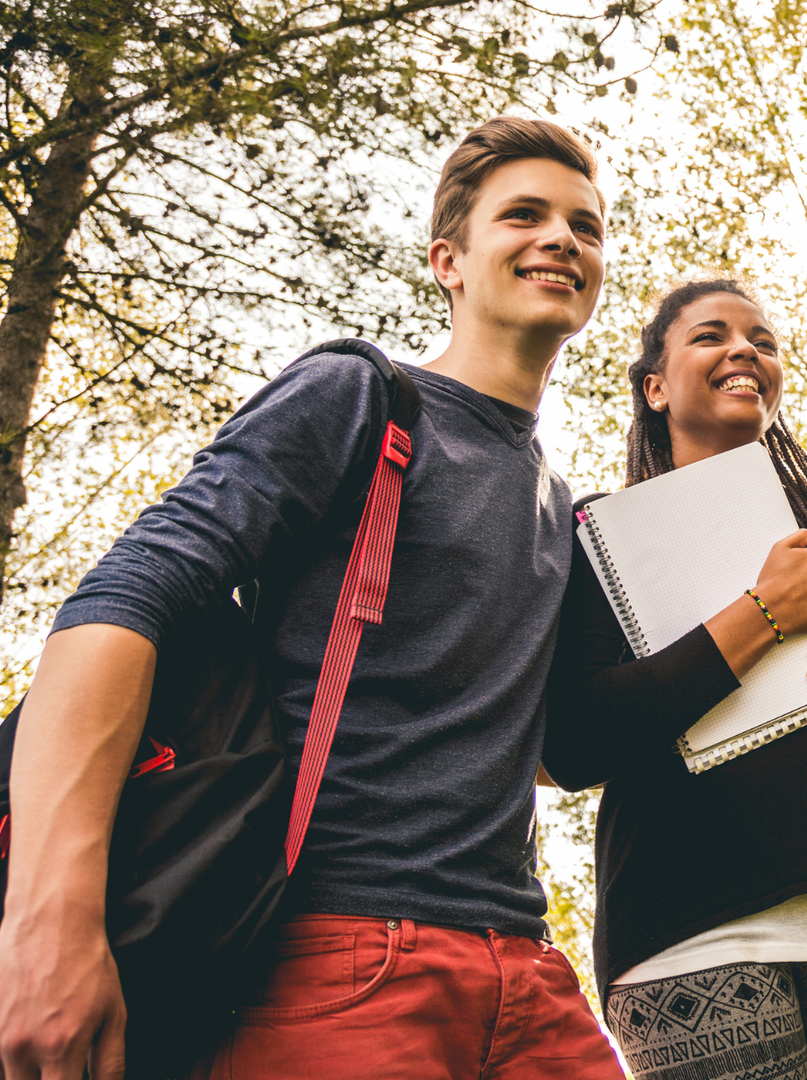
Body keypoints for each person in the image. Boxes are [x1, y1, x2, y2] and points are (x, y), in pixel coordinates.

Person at [0, 117, 625, 1078]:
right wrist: (48, 921)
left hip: (529, 972)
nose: (562, 240)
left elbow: (523, 746)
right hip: (343, 954)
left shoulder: (559, 501)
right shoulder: (362, 397)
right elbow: (124, 598)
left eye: (585, 227)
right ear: (448, 260)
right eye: (526, 216)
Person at [543, 277, 807, 1080]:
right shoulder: (597, 537)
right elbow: (575, 742)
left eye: (763, 340)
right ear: (654, 386)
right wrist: (762, 613)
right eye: (711, 335)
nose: (744, 351)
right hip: (688, 931)